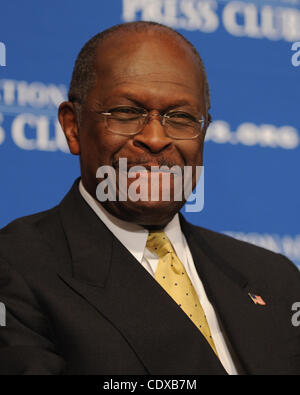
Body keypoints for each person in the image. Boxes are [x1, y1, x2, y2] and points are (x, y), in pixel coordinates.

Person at [0, 21, 299, 375]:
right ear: (73, 127)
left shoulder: (275, 278)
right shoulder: (15, 267)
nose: (156, 138)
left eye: (181, 118)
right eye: (126, 113)